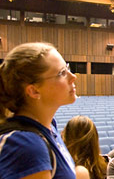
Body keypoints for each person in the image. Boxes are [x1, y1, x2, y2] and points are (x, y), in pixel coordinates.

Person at [0, 42, 76, 179]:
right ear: (34, 91)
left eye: (67, 68)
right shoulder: (25, 145)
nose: (73, 77)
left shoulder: (49, 126)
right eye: (62, 73)